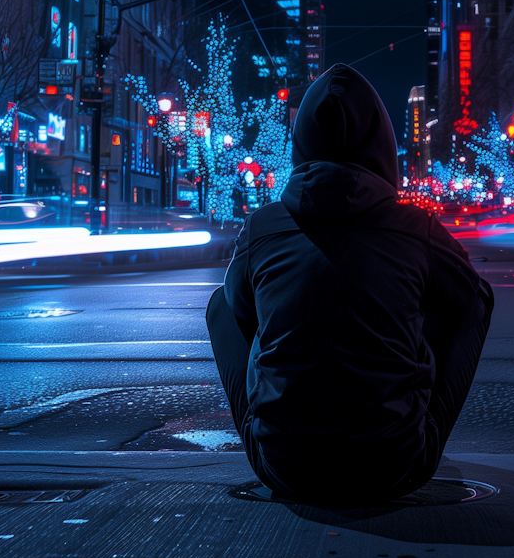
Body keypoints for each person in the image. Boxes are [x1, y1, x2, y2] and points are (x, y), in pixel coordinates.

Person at [206, 64, 494, 505]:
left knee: (221, 304)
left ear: (300, 142)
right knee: (469, 297)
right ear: (382, 145)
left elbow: (239, 314)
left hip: (285, 468)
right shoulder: (418, 228)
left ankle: (280, 420)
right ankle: (405, 420)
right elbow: (473, 300)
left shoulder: (262, 228)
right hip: (395, 467)